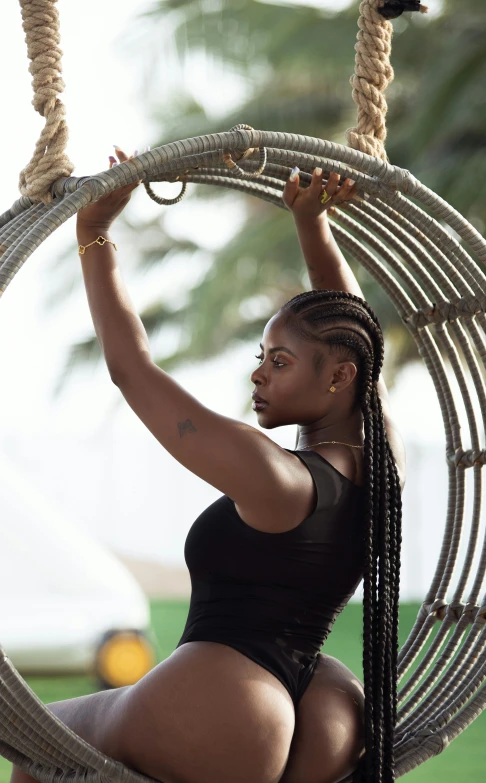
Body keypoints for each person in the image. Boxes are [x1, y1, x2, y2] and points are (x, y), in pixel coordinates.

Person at [10, 148, 406, 783]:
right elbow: (357, 330)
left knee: (39, 747)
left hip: (232, 702)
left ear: (338, 376)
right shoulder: (382, 460)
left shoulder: (272, 474)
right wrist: (312, 224)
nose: (258, 373)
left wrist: (95, 236)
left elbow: (131, 370)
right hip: (326, 707)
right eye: (262, 355)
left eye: (279, 361)